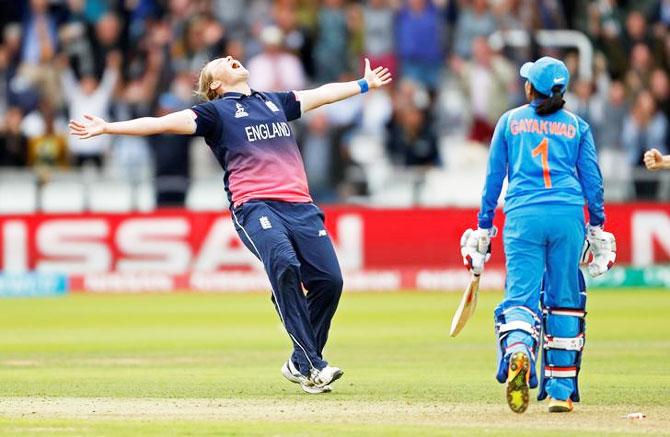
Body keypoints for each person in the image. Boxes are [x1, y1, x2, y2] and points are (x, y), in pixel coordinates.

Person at [69, 55, 392, 394]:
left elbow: (322, 94)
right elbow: (161, 123)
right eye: (220, 62)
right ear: (215, 85)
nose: (230, 57)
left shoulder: (274, 101)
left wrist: (364, 84)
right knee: (283, 263)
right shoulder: (215, 113)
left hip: (301, 206)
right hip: (254, 205)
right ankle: (313, 364)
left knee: (330, 281)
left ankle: (298, 361)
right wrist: (108, 128)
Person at [459, 57, 616, 414]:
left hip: (523, 218)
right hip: (567, 217)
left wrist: (484, 226)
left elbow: (493, 180)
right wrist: (598, 226)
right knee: (564, 299)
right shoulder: (577, 127)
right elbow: (593, 181)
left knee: (521, 296)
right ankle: (560, 390)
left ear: (531, 88)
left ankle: (517, 349)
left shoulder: (509, 122)